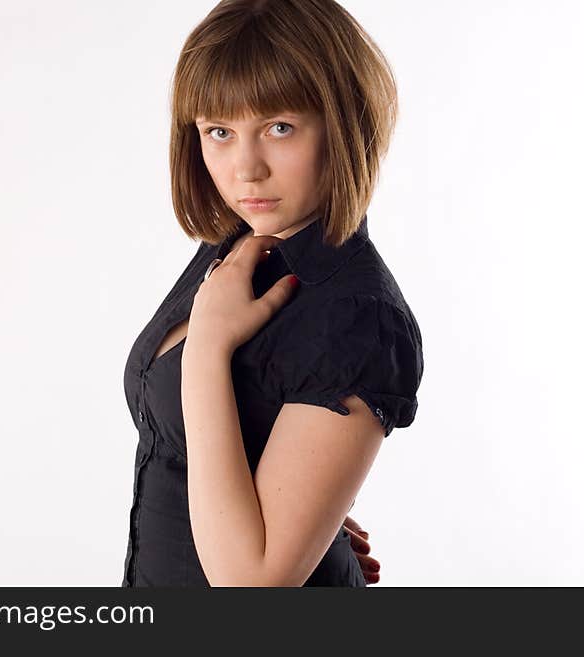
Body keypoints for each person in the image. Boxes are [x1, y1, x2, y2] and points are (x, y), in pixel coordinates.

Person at [121, 0, 424, 587]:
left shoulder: (359, 315)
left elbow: (250, 586)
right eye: (219, 132)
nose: (246, 169)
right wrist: (303, 506)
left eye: (279, 127)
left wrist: (208, 347)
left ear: (344, 122)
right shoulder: (242, 240)